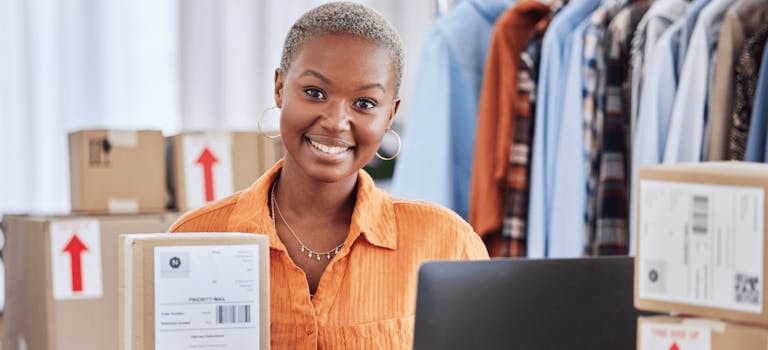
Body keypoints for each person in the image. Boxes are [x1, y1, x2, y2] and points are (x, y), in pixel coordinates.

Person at [170, 2, 489, 348]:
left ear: (389, 116)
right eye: (315, 93)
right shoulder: (193, 240)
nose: (336, 121)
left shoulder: (448, 243)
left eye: (365, 103)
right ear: (279, 88)